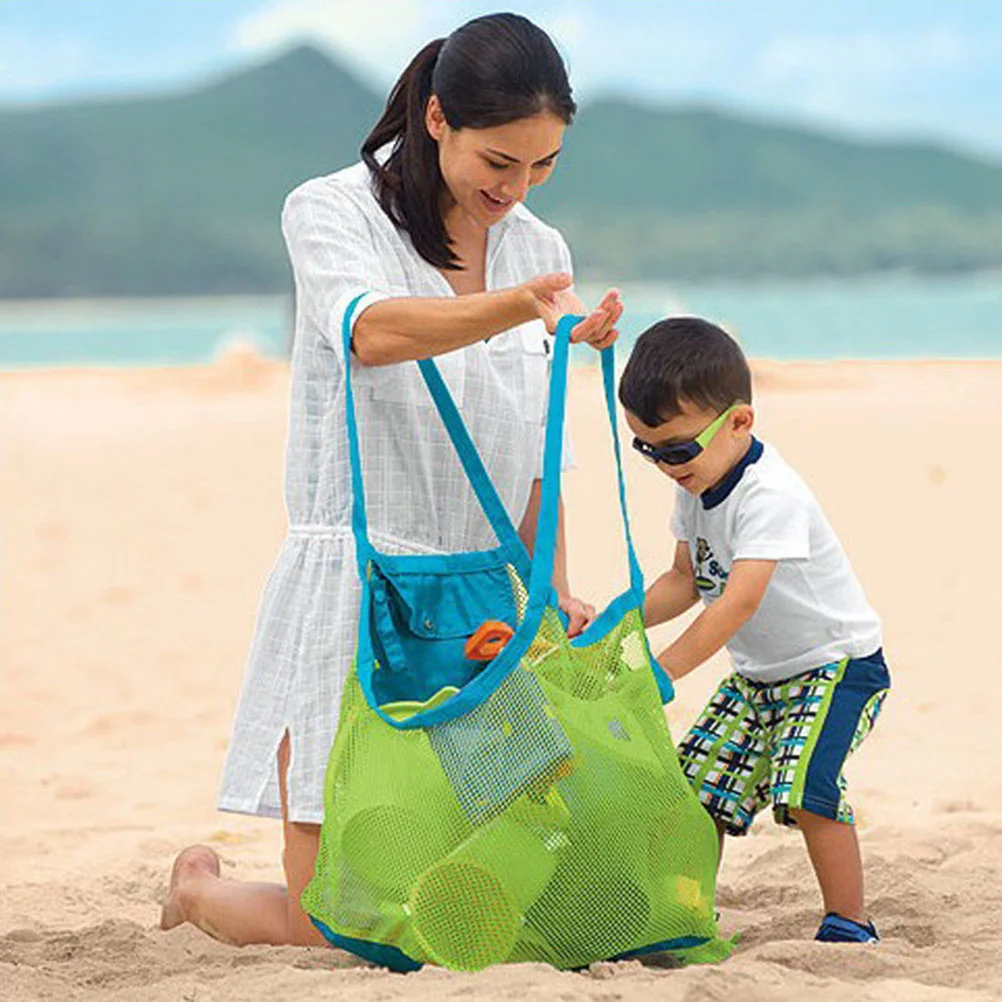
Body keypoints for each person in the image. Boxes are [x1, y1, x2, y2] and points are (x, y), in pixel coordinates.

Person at [160, 13, 622, 947]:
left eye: (542, 167)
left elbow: (541, 449)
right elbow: (370, 332)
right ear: (439, 117)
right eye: (500, 161)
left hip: (489, 604)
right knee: (340, 919)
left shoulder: (539, 248)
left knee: (508, 894)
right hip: (357, 585)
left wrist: (554, 585)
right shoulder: (330, 210)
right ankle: (201, 890)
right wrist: (516, 311)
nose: (516, 188)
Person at [619, 316, 891, 944]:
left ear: (740, 422)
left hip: (837, 668)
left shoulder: (771, 495)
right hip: (761, 677)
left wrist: (661, 672)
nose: (664, 465)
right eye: (647, 449)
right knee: (696, 791)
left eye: (677, 449)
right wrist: (618, 621)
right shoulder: (697, 482)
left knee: (806, 789)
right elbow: (685, 581)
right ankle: (687, 913)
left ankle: (851, 921)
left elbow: (736, 603)